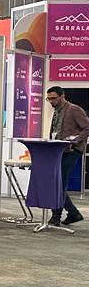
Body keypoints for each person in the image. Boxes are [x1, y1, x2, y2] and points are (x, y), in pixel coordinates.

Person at [46, 86, 89, 226]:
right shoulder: (57, 111)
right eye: (48, 99)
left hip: (71, 150)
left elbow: (87, 127)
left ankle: (56, 216)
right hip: (58, 150)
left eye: (53, 98)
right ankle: (73, 213)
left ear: (62, 96)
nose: (51, 101)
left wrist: (76, 140)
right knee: (56, 183)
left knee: (60, 183)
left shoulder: (74, 109)